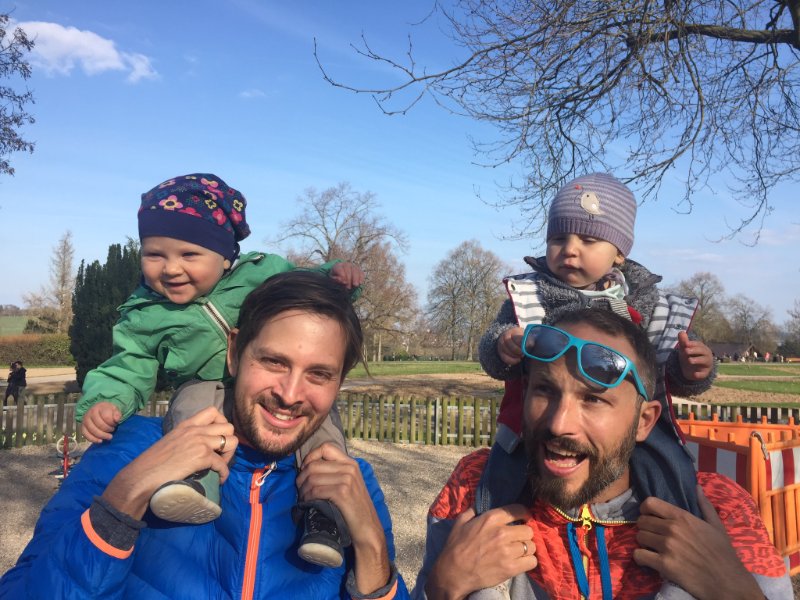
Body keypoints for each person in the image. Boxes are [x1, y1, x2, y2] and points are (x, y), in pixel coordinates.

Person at [0, 271, 407, 599]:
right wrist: (124, 498)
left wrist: (371, 545)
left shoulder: (352, 482)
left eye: (319, 374)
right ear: (234, 352)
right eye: (273, 362)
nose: (290, 394)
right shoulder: (129, 450)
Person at [76, 173, 363, 567]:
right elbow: (128, 364)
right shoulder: (145, 313)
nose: (171, 268)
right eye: (155, 255)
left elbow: (302, 286)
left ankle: (323, 511)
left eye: (189, 255)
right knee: (191, 403)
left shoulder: (259, 273)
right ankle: (196, 480)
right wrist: (106, 400)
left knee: (323, 426)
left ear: (226, 256)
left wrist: (333, 277)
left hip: (260, 387)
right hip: (206, 388)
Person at [415, 309, 791, 600]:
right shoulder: (476, 487)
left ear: (644, 421)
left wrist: (733, 588)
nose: (559, 424)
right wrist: (443, 586)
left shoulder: (716, 508)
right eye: (545, 390)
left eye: (593, 399)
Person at [478, 173, 714, 518]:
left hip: (630, 424)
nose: (569, 249)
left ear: (619, 254)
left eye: (588, 240)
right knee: (502, 476)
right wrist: (502, 346)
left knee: (673, 469)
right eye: (558, 238)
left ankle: (679, 529)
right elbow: (491, 349)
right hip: (530, 424)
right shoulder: (530, 295)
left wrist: (690, 368)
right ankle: (496, 527)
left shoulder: (649, 303)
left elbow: (661, 365)